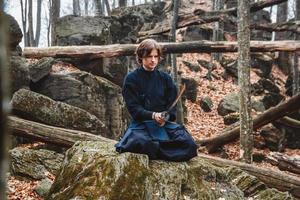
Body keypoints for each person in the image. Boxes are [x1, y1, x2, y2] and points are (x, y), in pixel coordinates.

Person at [115, 39, 197, 162]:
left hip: (163, 125)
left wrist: (166, 118)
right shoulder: (131, 79)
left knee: (189, 143)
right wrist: (153, 115)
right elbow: (134, 109)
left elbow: (172, 108)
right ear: (141, 56)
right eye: (149, 56)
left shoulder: (166, 79)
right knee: (141, 142)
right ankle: (165, 150)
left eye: (155, 56)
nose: (153, 60)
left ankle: (158, 150)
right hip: (141, 125)